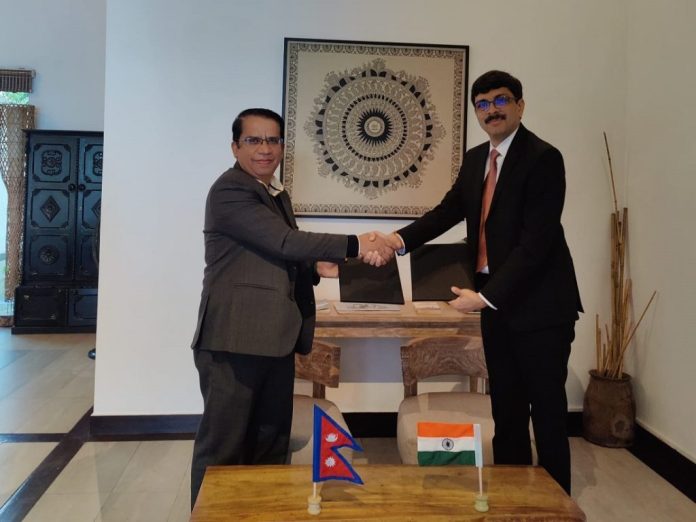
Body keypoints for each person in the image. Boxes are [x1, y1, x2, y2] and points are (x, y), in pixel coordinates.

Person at [189, 108, 395, 507]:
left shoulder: (274, 193)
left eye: (273, 140)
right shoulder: (231, 189)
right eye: (253, 140)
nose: (265, 148)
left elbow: (278, 251)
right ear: (235, 147)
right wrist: (358, 244)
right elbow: (284, 242)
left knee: (270, 444)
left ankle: (261, 513)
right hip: (234, 338)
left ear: (282, 146)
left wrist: (316, 266)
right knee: (223, 449)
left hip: (274, 338)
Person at [389, 71, 582, 494]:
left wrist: (486, 297)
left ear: (520, 106)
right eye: (483, 103)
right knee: (506, 409)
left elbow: (536, 243)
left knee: (547, 411)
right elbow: (446, 213)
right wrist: (396, 241)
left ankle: (555, 505)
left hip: (542, 309)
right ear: (476, 112)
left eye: (501, 100)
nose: (492, 110)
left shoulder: (543, 158)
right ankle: (512, 495)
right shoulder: (477, 159)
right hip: (496, 307)